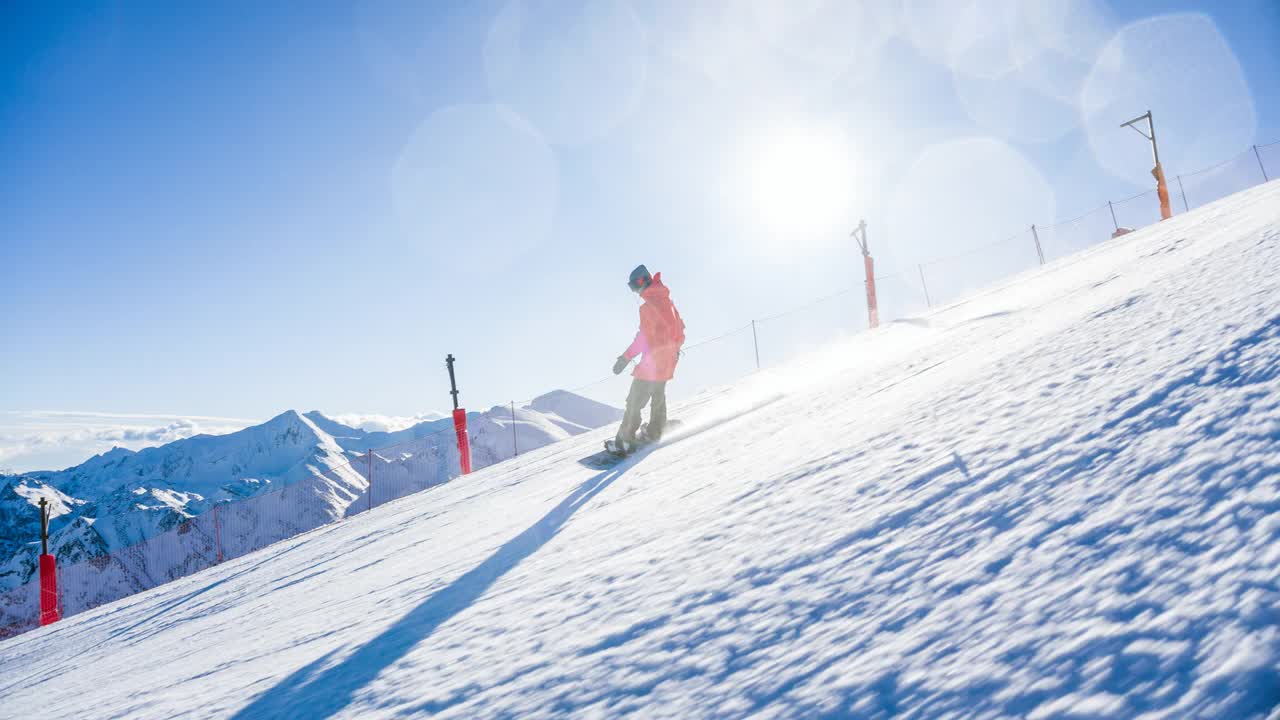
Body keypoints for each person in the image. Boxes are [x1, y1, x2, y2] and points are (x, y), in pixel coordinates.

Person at [605, 264, 685, 456]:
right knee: (658, 396)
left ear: (642, 282)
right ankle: (655, 430)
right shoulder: (667, 300)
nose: (635, 292)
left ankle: (625, 441)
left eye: (634, 286)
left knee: (634, 400)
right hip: (668, 361)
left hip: (653, 362)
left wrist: (625, 358)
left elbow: (643, 338)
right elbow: (680, 329)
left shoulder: (650, 306)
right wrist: (672, 352)